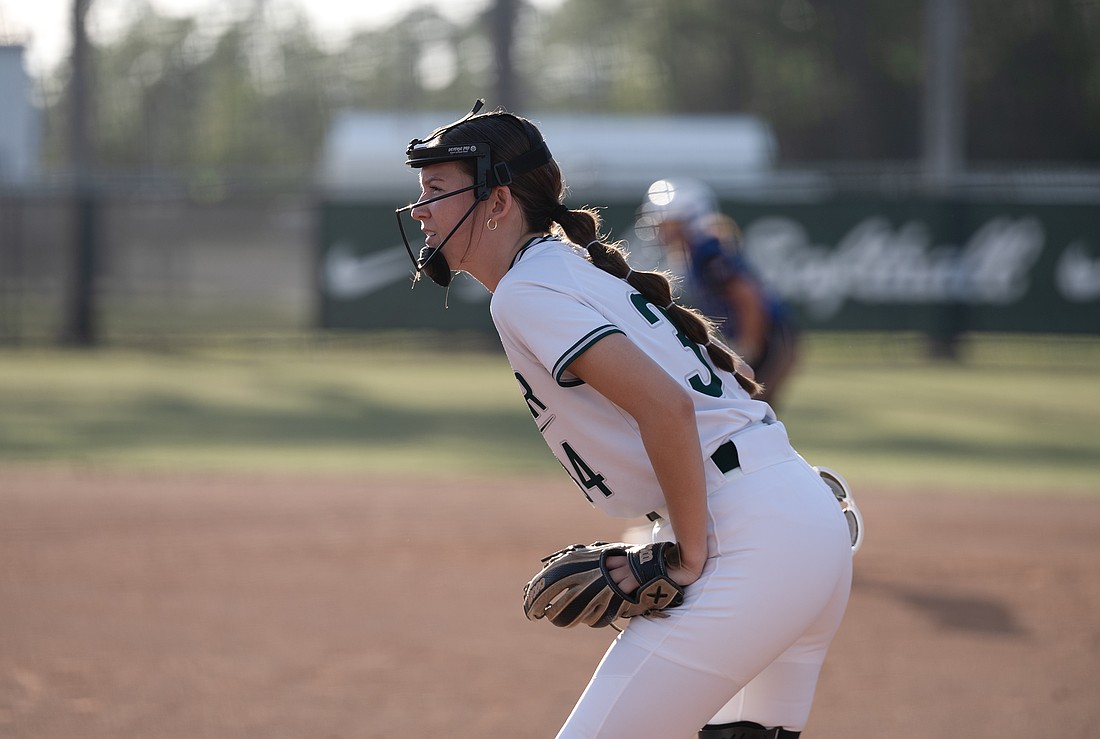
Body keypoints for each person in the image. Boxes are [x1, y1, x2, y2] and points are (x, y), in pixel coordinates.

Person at [395, 101, 852, 739]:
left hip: (747, 537)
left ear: (497, 201)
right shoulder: (564, 269)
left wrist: (687, 558)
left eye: (437, 190)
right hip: (797, 516)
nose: (421, 209)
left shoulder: (527, 290)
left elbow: (667, 407)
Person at [640, 179, 800, 409]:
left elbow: (748, 298)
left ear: (689, 220)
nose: (661, 229)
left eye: (669, 222)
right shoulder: (695, 254)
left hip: (770, 337)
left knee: (750, 410)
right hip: (768, 336)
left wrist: (748, 347)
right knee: (746, 410)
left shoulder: (709, 253)